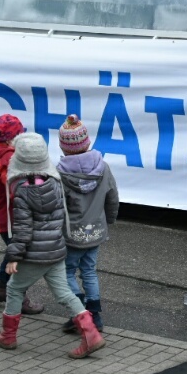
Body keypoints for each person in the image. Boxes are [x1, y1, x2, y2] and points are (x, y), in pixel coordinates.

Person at [0, 133, 105, 358]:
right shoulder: (55, 182)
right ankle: (91, 335)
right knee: (64, 293)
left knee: (14, 289)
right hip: (56, 250)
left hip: (34, 255)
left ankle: (8, 337)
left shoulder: (22, 190)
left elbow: (23, 228)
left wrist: (14, 256)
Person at [0, 113, 44, 316]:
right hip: (10, 216)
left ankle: (0, 286)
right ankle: (17, 297)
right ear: (10, 139)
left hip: (3, 214)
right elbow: (15, 187)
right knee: (21, 255)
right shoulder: (8, 158)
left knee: (15, 251)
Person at [56, 114, 119, 334]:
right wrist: (109, 220)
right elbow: (112, 198)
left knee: (67, 272)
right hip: (96, 231)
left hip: (71, 234)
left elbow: (57, 206)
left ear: (63, 147)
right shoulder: (103, 167)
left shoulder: (60, 173)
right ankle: (95, 315)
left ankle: (80, 312)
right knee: (89, 271)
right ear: (87, 142)